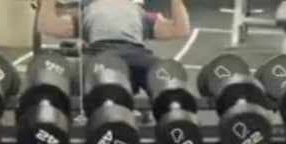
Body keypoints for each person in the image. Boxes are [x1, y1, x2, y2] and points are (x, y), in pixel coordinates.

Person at [36, 0, 191, 93]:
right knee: (59, 75)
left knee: (168, 77)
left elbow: (180, 29)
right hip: (99, 55)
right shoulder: (88, 11)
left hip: (135, 55)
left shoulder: (140, 13)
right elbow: (47, 26)